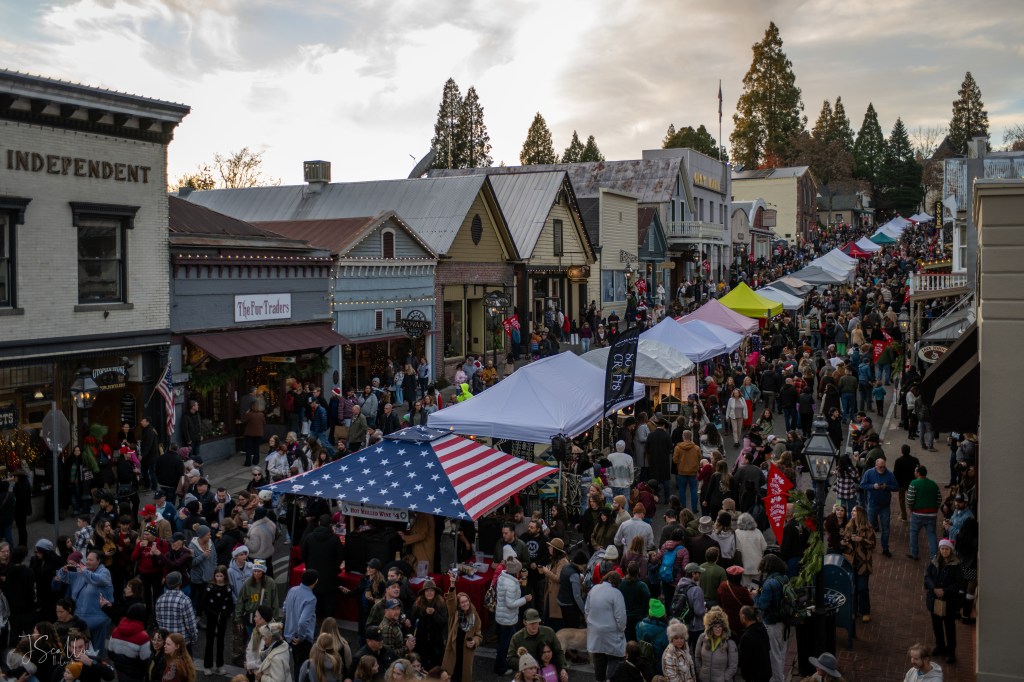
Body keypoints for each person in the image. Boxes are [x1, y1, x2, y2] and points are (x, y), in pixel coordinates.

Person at [55, 549, 114, 656]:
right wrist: (64, 570)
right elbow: (64, 578)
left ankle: (96, 667)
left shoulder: (104, 572)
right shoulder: (83, 571)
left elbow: (100, 580)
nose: (87, 562)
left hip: (98, 618)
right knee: (79, 648)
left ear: (98, 561)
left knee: (96, 649)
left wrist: (85, 572)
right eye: (87, 559)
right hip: (80, 617)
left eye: (91, 560)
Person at [301, 514, 346, 622]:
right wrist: (335, 567)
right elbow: (340, 556)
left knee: (314, 601)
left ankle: (315, 622)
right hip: (329, 577)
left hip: (313, 575)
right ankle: (329, 625)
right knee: (329, 602)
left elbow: (303, 554)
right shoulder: (334, 539)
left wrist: (309, 566)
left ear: (319, 523)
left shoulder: (309, 537)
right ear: (330, 525)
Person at [752, 553, 789, 682]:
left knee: (774, 655)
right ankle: (781, 677)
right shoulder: (784, 578)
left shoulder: (769, 584)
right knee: (781, 653)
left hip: (772, 623)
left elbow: (762, 605)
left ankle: (777, 679)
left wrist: (755, 595)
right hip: (785, 622)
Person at [925, 538, 962, 664]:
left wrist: (945, 591)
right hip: (934, 599)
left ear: (950, 550)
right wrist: (933, 588)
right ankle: (940, 646)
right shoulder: (934, 561)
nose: (944, 551)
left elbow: (958, 584)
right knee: (936, 626)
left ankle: (950, 651)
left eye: (946, 549)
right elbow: (927, 576)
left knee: (949, 627)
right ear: (939, 550)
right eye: (942, 549)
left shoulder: (956, 565)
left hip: (949, 602)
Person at [585, 570, 627, 682]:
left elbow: (586, 610)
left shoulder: (594, 589)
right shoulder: (616, 593)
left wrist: (591, 624)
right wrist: (622, 629)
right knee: (614, 657)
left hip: (595, 631)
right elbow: (621, 617)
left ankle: (600, 680)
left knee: (599, 657)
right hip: (611, 632)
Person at [506, 609, 568, 682]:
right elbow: (510, 659)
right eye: (531, 623)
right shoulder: (517, 638)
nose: (534, 626)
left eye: (536, 622)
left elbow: (558, 651)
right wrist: (528, 664)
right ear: (524, 622)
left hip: (549, 671)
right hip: (528, 676)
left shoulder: (549, 632)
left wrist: (563, 668)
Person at [493, 558, 530, 675]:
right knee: (504, 645)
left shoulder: (502, 577)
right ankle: (500, 668)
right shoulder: (511, 585)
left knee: (510, 640)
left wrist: (516, 582)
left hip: (501, 616)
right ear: (515, 571)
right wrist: (525, 599)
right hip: (507, 619)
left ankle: (507, 661)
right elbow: (510, 604)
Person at [441, 581, 481, 682]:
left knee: (463, 676)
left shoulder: (474, 615)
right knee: (450, 676)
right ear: (458, 604)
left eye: (467, 601)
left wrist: (475, 642)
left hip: (466, 653)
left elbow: (478, 634)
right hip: (453, 651)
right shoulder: (454, 614)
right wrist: (452, 584)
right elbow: (450, 601)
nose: (465, 604)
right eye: (462, 602)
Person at [860, 457, 898, 557]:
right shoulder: (869, 473)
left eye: (884, 467)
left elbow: (896, 487)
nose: (882, 469)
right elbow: (862, 485)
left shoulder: (889, 475)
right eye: (880, 467)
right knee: (870, 527)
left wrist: (887, 487)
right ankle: (870, 545)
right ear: (876, 466)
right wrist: (873, 486)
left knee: (886, 528)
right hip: (872, 504)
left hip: (885, 505)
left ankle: (885, 548)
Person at [201, 565, 234, 676]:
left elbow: (230, 604)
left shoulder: (228, 588)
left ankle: (220, 665)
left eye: (221, 576)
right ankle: (207, 665)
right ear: (214, 576)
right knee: (209, 641)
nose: (219, 578)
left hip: (222, 618)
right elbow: (204, 603)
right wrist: (214, 613)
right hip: (211, 617)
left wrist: (225, 614)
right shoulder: (210, 587)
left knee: (221, 642)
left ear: (225, 576)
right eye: (217, 576)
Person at [410, 579, 447, 669]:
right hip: (421, 642)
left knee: (436, 666)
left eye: (432, 590)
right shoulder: (417, 605)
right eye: (427, 591)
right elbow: (414, 622)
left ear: (435, 592)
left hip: (436, 642)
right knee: (422, 666)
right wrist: (424, 614)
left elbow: (444, 622)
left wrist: (434, 614)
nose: (429, 593)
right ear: (423, 592)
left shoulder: (441, 604)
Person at [907, 465, 940, 561]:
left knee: (914, 533)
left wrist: (911, 509)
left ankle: (914, 553)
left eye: (915, 471)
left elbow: (910, 499)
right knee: (932, 534)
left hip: (918, 513)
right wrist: (935, 509)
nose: (914, 473)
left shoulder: (914, 483)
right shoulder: (933, 484)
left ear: (918, 473)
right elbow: (939, 499)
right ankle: (934, 556)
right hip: (932, 514)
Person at [694, 607, 737, 682]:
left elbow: (733, 666)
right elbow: (697, 657)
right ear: (710, 627)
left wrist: (725, 678)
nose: (718, 629)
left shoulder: (729, 642)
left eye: (720, 626)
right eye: (715, 626)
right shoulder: (702, 637)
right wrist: (700, 672)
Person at [737, 606, 771, 682]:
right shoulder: (762, 628)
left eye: (739, 615)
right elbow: (768, 648)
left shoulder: (746, 637)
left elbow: (744, 660)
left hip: (754, 676)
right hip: (765, 672)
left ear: (743, 616)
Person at [635, 599, 669, 675]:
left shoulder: (639, 626)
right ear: (663, 614)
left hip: (644, 666)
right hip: (660, 668)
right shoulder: (666, 632)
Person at [672, 431, 701, 512]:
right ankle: (694, 509)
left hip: (681, 472)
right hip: (693, 472)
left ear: (683, 437)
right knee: (694, 490)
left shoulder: (678, 447)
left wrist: (680, 463)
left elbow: (674, 460)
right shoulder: (696, 448)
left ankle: (683, 509)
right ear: (691, 437)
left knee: (682, 490)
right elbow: (699, 458)